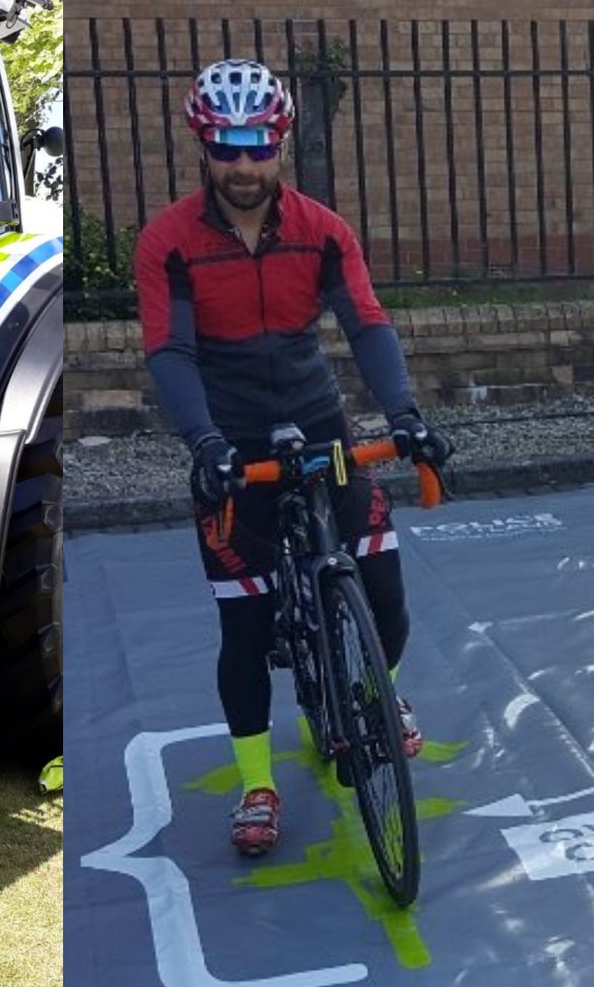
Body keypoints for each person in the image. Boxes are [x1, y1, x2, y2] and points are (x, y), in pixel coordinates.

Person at [133, 58, 452, 857]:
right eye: (227, 148)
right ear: (204, 146)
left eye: (258, 147)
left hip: (320, 426)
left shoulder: (323, 229)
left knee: (383, 586)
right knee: (242, 629)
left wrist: (406, 416)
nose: (244, 165)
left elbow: (367, 325)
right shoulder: (169, 241)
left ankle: (373, 691)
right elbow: (169, 352)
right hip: (230, 440)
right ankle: (257, 783)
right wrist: (204, 443)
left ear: (281, 144)